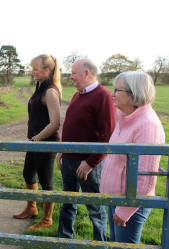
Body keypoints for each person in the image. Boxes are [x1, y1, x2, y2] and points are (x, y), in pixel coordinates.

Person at [100, 71, 165, 243]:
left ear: (132, 94)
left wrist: (125, 210)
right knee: (116, 244)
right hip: (118, 198)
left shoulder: (147, 125)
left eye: (116, 90)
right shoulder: (125, 118)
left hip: (130, 204)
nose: (112, 94)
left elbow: (145, 177)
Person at [57, 59, 116, 241]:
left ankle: (100, 243)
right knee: (68, 202)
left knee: (95, 207)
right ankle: (65, 239)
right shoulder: (78, 95)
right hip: (68, 159)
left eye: (73, 73)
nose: (70, 76)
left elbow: (108, 135)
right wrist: (62, 150)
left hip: (88, 163)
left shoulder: (103, 96)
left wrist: (90, 163)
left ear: (86, 73)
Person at [13, 54, 62, 230]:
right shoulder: (40, 86)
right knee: (28, 173)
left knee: (46, 182)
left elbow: (55, 123)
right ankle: (31, 209)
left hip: (46, 143)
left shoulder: (50, 91)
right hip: (35, 142)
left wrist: (36, 138)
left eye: (35, 68)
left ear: (46, 71)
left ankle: (47, 219)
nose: (32, 71)